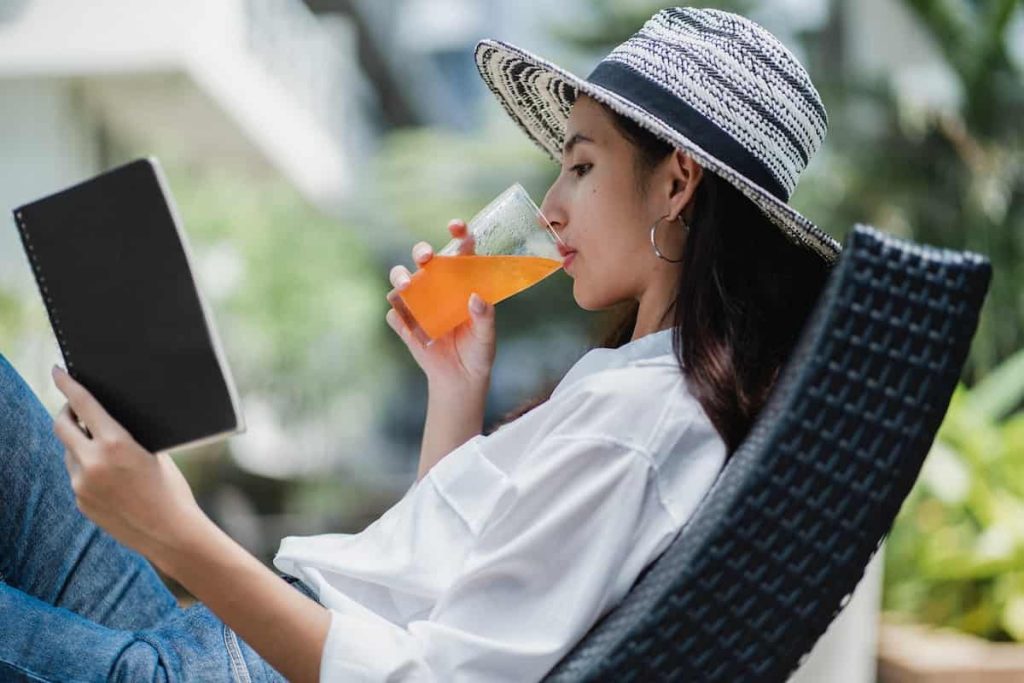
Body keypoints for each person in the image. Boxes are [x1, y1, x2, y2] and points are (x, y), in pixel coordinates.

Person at [0, 7, 841, 682]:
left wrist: (174, 531)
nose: (550, 207)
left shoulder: (644, 425)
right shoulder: (639, 388)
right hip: (227, 641)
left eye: (580, 167)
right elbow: (448, 578)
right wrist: (455, 384)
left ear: (677, 181)